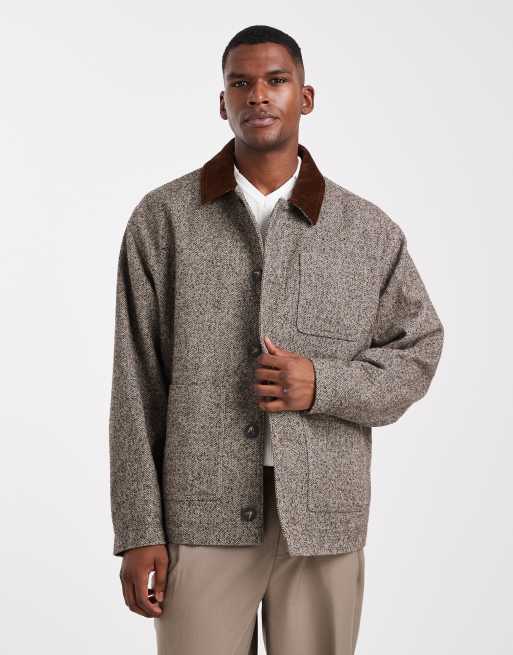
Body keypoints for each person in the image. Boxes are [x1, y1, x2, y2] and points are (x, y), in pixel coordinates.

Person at [108, 24, 444, 655]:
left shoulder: (366, 230)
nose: (258, 95)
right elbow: (135, 382)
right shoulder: (164, 219)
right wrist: (137, 528)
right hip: (199, 515)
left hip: (323, 519)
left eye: (276, 80)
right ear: (223, 103)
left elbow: (418, 351)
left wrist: (323, 383)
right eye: (241, 83)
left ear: (305, 97)